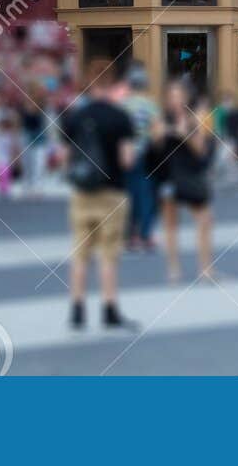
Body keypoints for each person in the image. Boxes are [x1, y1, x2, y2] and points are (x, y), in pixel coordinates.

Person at [62, 58, 137, 330]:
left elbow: (64, 158)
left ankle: (78, 309)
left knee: (80, 253)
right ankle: (109, 309)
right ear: (112, 83)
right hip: (112, 193)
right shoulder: (120, 117)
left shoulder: (74, 117)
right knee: (108, 255)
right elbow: (127, 160)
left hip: (82, 194)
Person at [152, 80, 218, 283]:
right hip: (169, 176)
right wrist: (160, 133)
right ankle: (173, 269)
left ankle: (205, 268)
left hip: (191, 176)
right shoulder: (162, 118)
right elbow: (154, 147)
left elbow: (202, 151)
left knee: (205, 219)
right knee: (170, 224)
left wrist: (185, 134)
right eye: (172, 96)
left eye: (179, 96)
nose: (176, 100)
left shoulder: (195, 118)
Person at [120, 67, 159, 252]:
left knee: (128, 195)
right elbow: (156, 130)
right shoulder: (150, 105)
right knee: (146, 195)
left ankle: (130, 235)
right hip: (146, 154)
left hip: (127, 155)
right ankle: (146, 234)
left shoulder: (123, 105)